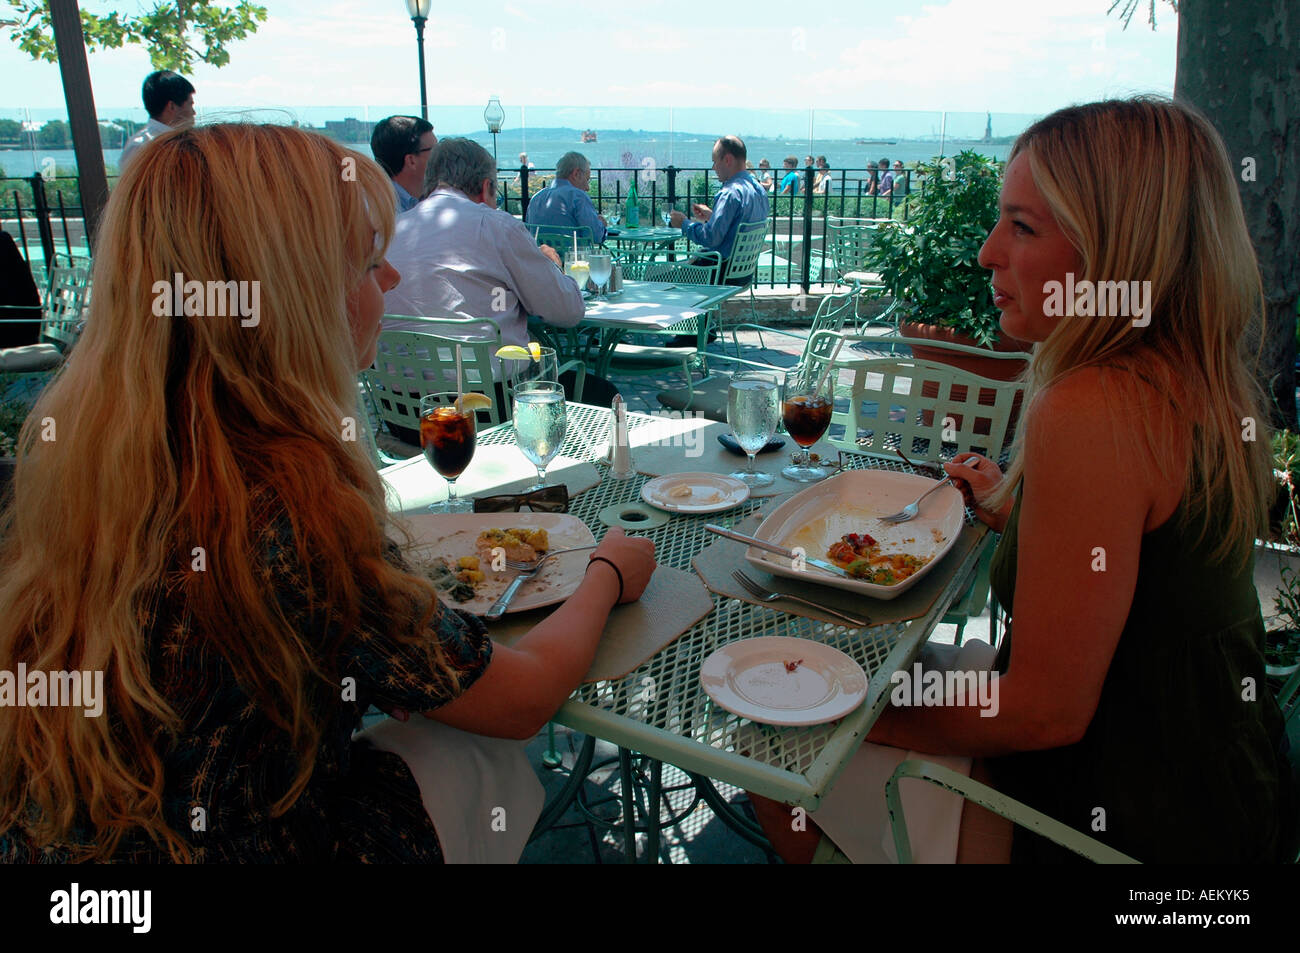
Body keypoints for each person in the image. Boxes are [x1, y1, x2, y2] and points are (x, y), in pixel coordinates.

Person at [0, 123, 658, 863]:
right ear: (293, 297)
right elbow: (523, 700)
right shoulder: (289, 501)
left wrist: (363, 656)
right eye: (369, 261)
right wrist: (607, 572)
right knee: (470, 750)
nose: (390, 281)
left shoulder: (89, 457)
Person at [750, 96, 1298, 864]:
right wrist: (1015, 508)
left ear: (1117, 252)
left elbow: (1043, 714)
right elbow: (1139, 573)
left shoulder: (1093, 407)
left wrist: (853, 714)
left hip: (1111, 815)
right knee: (880, 665)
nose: (986, 252)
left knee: (775, 739)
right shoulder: (1197, 380)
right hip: (1229, 785)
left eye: (1024, 226)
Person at [383, 138, 585, 351]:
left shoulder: (389, 230)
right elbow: (568, 311)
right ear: (486, 187)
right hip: (489, 382)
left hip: (394, 382)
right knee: (599, 386)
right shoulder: (498, 227)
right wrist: (552, 266)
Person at [668, 135, 768, 284]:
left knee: (656, 281)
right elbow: (740, 225)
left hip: (717, 272)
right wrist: (712, 216)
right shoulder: (758, 190)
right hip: (743, 274)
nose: (714, 168)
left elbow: (710, 238)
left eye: (715, 162)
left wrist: (684, 223)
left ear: (727, 160)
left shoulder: (730, 193)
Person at [118, 70, 195, 171]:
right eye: (190, 104)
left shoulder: (184, 141)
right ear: (172, 106)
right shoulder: (141, 148)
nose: (194, 112)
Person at [524, 151, 606, 243]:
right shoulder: (577, 196)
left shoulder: (536, 198)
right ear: (576, 174)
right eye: (587, 180)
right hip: (572, 256)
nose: (587, 188)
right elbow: (596, 236)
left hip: (540, 256)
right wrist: (601, 224)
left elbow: (528, 233)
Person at [370, 116, 436, 213]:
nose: (441, 155)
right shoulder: (380, 212)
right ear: (411, 161)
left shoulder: (428, 199)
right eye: (435, 149)